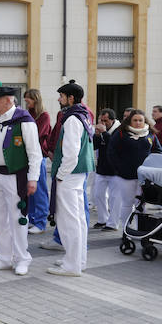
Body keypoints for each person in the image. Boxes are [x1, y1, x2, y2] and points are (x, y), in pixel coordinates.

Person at [0, 82, 43, 276]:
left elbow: (34, 153)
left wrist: (33, 179)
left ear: (8, 101)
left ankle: (22, 258)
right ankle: (4, 257)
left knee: (18, 219)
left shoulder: (24, 120)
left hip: (16, 177)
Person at [47, 82, 95, 277]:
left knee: (69, 221)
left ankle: (72, 265)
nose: (59, 99)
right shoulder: (82, 115)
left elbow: (71, 154)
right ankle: (78, 260)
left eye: (61, 96)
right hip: (78, 173)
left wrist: (60, 175)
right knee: (78, 220)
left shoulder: (71, 119)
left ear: (71, 98)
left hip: (69, 174)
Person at [107, 109, 162, 231]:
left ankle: (140, 230)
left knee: (141, 204)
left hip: (145, 176)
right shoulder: (121, 133)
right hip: (126, 176)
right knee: (127, 203)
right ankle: (126, 230)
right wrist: (119, 168)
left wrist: (153, 169)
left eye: (140, 120)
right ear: (130, 121)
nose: (138, 123)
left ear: (145, 121)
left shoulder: (151, 134)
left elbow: (158, 152)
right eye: (135, 120)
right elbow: (111, 152)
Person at [24, 89, 51, 234]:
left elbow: (36, 135)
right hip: (28, 156)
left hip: (38, 156)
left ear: (35, 99)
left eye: (28, 98)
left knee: (39, 190)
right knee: (31, 190)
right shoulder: (28, 114)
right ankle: (34, 219)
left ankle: (40, 222)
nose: (26, 101)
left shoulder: (44, 116)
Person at [92, 108, 120, 231]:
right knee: (98, 195)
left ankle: (113, 223)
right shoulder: (101, 130)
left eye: (106, 121)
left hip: (115, 170)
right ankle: (103, 219)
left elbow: (114, 145)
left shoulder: (119, 130)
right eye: (101, 120)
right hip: (102, 168)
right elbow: (93, 146)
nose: (103, 123)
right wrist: (97, 135)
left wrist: (104, 133)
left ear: (112, 120)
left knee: (115, 198)